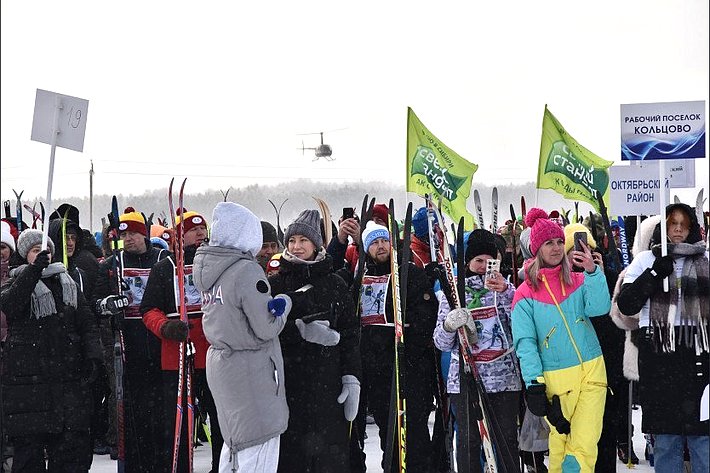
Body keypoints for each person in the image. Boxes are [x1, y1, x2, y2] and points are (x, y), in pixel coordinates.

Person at [193, 201, 292, 473]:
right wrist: (284, 304)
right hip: (251, 371)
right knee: (258, 449)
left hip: (223, 364)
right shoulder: (246, 270)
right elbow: (266, 327)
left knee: (235, 445)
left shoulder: (209, 269)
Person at [511, 208, 611, 472]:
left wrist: (592, 272)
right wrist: (534, 384)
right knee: (560, 446)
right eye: (548, 243)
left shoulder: (579, 279)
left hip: (592, 372)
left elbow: (600, 308)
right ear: (536, 249)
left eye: (558, 242)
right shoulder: (524, 294)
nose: (556, 248)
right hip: (557, 379)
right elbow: (526, 343)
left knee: (584, 446)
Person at [616, 202, 709, 473]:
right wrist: (655, 273)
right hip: (659, 356)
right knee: (667, 439)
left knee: (702, 438)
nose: (678, 229)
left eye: (683, 224)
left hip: (698, 353)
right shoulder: (645, 259)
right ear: (664, 227)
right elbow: (627, 305)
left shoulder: (705, 259)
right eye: (672, 223)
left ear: (691, 227)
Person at [268, 209, 362, 472]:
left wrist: (352, 377)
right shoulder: (275, 284)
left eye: (303, 241)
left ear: (316, 244)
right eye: (291, 241)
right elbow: (263, 332)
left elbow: (350, 335)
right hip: (287, 384)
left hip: (327, 384)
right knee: (291, 457)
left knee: (331, 456)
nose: (296, 247)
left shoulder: (335, 283)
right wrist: (299, 332)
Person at [1, 229, 103, 472]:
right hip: (28, 384)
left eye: (44, 250)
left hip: (66, 378)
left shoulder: (65, 281)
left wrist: (93, 355)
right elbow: (10, 304)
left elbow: (86, 322)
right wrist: (34, 272)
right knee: (29, 455)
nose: (41, 254)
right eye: (35, 250)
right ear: (25, 255)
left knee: (70, 452)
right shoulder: (14, 280)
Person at [140, 208, 223, 472]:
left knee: (221, 417)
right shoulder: (165, 268)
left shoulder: (219, 264)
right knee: (179, 421)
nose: (200, 234)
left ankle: (222, 464)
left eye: (202, 229)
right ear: (179, 235)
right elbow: (148, 309)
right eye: (192, 230)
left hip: (214, 353)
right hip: (177, 355)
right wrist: (165, 327)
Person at [352, 219, 438, 472]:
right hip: (377, 367)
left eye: (384, 241)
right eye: (374, 243)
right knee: (387, 429)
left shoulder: (409, 272)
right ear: (366, 248)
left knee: (415, 430)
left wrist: (410, 349)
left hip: (408, 365)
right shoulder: (362, 277)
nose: (380, 246)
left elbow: (425, 316)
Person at [434, 228, 522, 472]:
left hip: (504, 380)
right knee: (469, 441)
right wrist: (449, 325)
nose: (484, 266)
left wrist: (506, 292)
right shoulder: (452, 294)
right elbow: (441, 343)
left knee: (505, 440)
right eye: (478, 261)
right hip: (465, 380)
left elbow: (520, 326)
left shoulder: (508, 289)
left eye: (489, 261)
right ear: (468, 262)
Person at [93, 206, 170, 471]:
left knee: (162, 409)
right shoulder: (112, 265)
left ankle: (164, 460)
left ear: (145, 235)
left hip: (161, 342)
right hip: (130, 344)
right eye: (124, 235)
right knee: (135, 410)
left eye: (135, 234)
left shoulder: (162, 259)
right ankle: (137, 462)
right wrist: (108, 303)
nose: (129, 240)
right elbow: (95, 303)